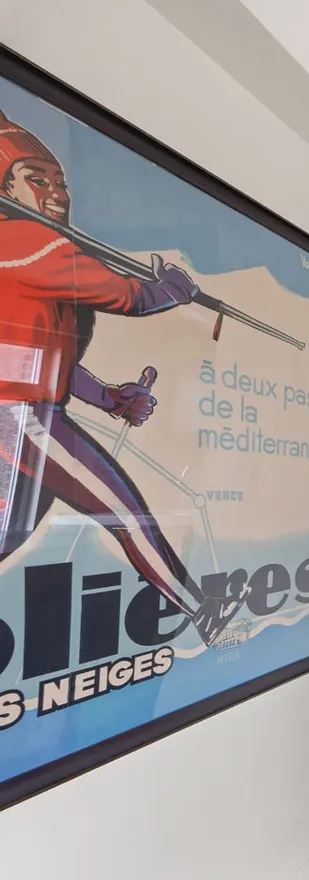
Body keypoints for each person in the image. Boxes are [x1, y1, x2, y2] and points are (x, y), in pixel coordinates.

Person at [0, 109, 243, 644]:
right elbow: (127, 296)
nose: (55, 194)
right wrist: (171, 290)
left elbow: (45, 362)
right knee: (125, 513)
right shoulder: (28, 242)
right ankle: (202, 612)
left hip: (27, 411)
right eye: (36, 180)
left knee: (10, 535)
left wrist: (108, 396)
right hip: (19, 418)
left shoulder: (30, 249)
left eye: (60, 182)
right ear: (6, 189)